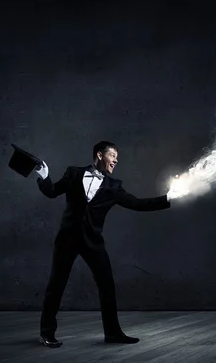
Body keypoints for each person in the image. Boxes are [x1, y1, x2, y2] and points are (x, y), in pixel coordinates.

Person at [35, 141, 174, 348]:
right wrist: (44, 176)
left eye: (117, 158)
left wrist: (167, 199)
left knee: (107, 286)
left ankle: (113, 334)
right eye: (113, 156)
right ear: (99, 155)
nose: (116, 161)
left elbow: (137, 204)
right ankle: (46, 334)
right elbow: (53, 191)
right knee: (56, 285)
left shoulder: (114, 186)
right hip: (67, 240)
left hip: (93, 243)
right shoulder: (73, 173)